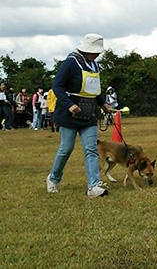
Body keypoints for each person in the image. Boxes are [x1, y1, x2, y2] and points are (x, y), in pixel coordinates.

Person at [46, 33, 111, 198]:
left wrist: (102, 102)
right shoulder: (70, 63)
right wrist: (69, 105)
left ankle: (94, 186)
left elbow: (94, 89)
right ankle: (53, 178)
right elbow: (57, 87)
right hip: (69, 115)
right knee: (66, 148)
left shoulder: (94, 66)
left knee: (91, 150)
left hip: (88, 115)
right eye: (95, 52)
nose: (97, 55)